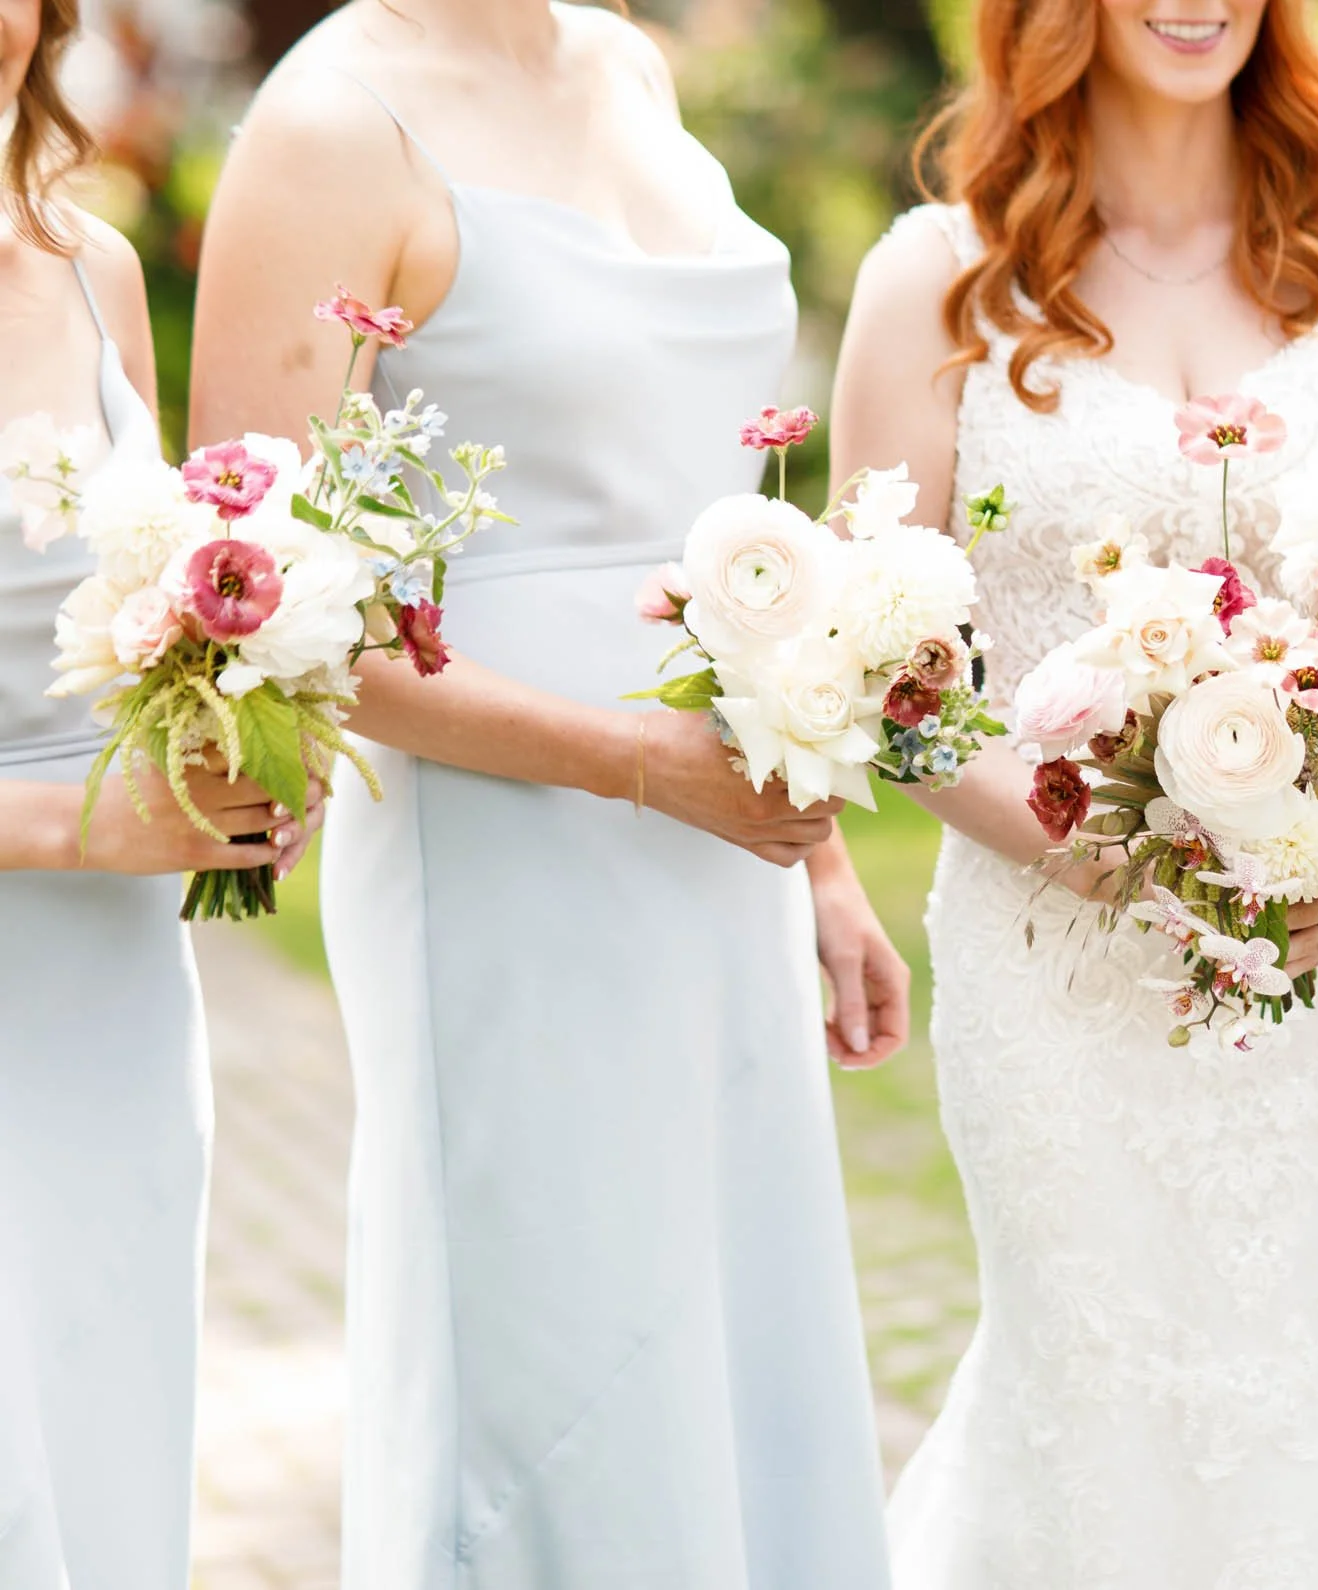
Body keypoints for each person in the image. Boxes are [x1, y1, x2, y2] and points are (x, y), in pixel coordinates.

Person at [189, 3, 902, 1581]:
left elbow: (720, 504)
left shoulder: (626, 64)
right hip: (508, 831)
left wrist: (819, 858)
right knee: (562, 1349)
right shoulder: (333, 127)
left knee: (729, 1314)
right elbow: (258, 613)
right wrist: (642, 766)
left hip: (722, 826)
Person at [824, 0, 1318, 1582]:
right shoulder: (941, 276)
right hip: (1060, 963)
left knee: (1314, 1387)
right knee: (1089, 1383)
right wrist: (1111, 858)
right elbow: (880, 665)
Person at [0, 3, 311, 1582]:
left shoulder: (94, 267)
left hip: (113, 999)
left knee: (104, 1452)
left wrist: (238, 738)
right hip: (44, 883)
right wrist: (68, 824)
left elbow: (145, 601)